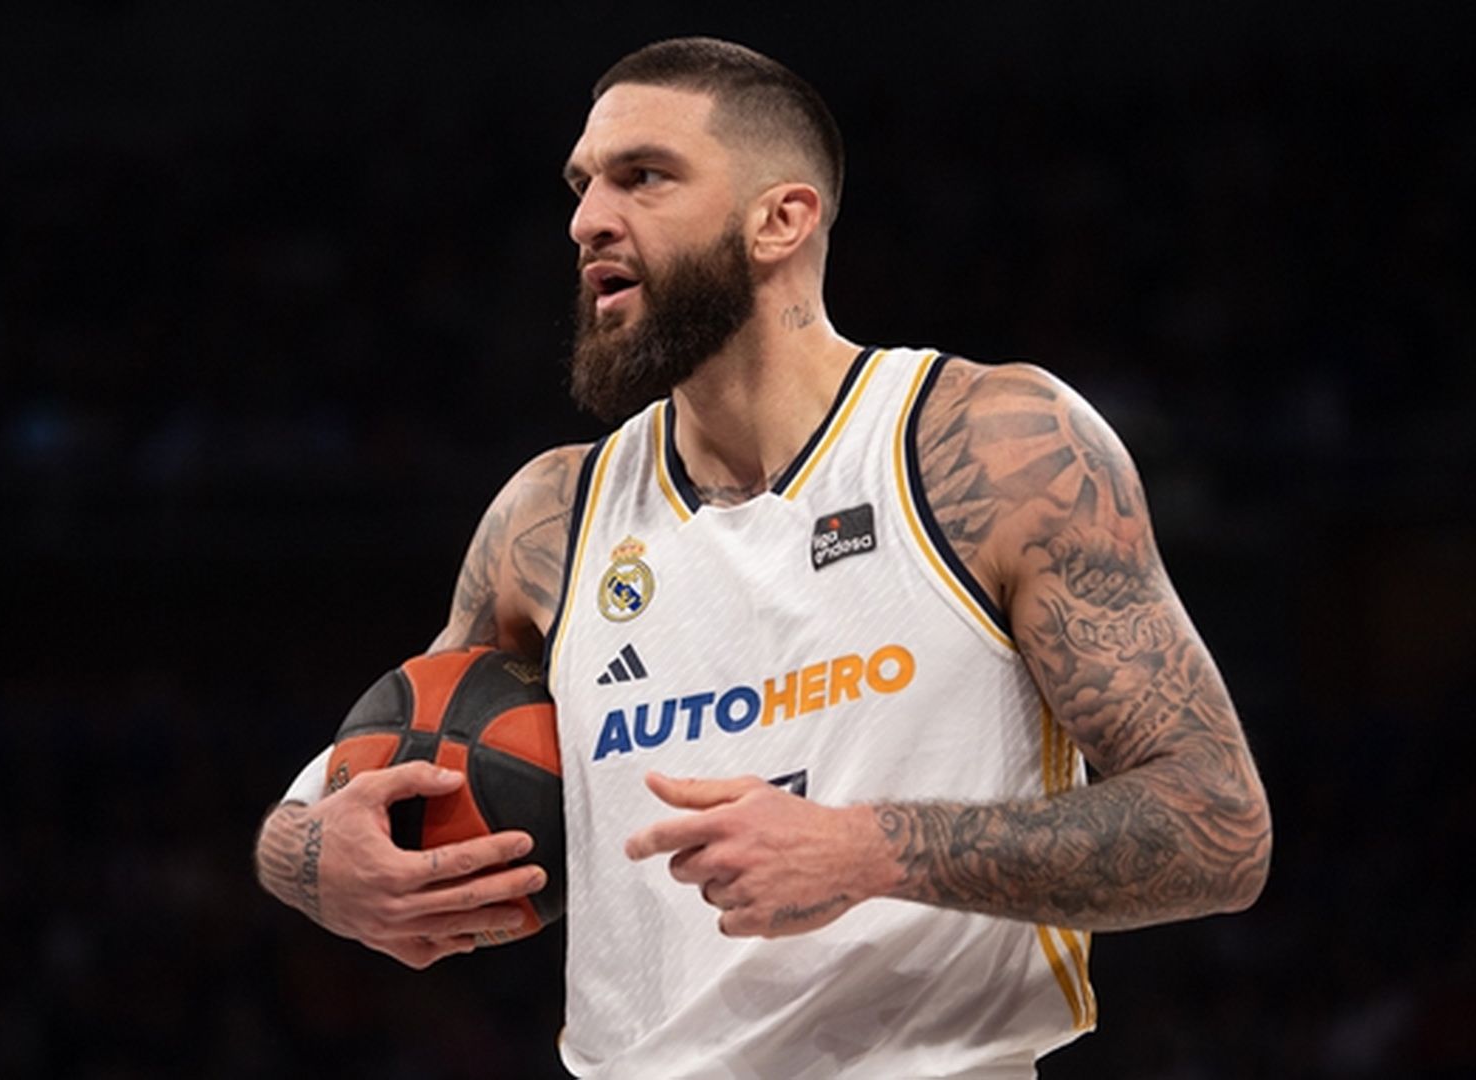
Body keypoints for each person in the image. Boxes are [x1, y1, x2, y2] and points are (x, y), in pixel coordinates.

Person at [256, 37, 1271, 1078]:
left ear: (781, 220)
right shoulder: (549, 518)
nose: (587, 218)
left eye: (643, 176)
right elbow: (347, 786)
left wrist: (870, 849)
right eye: (582, 184)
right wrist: (315, 864)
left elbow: (1219, 826)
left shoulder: (991, 447)